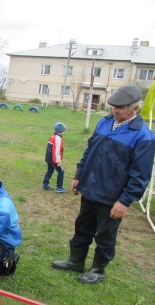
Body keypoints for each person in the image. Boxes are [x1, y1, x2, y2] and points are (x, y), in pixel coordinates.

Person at [52, 84, 155, 284]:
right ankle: (75, 261)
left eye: (120, 107)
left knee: (105, 235)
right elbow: (89, 151)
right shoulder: (104, 122)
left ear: (135, 109)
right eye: (113, 106)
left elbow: (141, 175)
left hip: (112, 197)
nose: (114, 110)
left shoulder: (144, 136)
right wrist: (79, 175)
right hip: (90, 188)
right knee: (82, 226)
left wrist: (125, 201)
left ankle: (98, 270)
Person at [41, 122, 67, 193]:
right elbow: (56, 151)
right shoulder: (58, 139)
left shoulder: (53, 136)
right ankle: (59, 187)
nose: (64, 132)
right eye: (64, 130)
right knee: (61, 171)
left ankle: (45, 184)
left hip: (49, 158)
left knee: (50, 170)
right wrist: (58, 161)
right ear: (61, 132)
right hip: (54, 159)